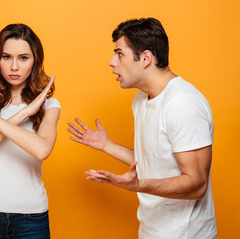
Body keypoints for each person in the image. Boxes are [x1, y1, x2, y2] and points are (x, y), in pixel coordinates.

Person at [68, 18, 217, 238]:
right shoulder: (141, 99)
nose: (111, 61)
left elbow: (197, 185)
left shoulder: (182, 103)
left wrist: (137, 185)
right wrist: (106, 145)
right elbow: (153, 162)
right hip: (151, 230)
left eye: (120, 54)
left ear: (146, 58)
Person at [0, 24, 60, 239]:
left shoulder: (49, 105)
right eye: (7, 57)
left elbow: (42, 149)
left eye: (23, 58)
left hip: (32, 218)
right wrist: (22, 113)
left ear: (35, 61)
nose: (14, 66)